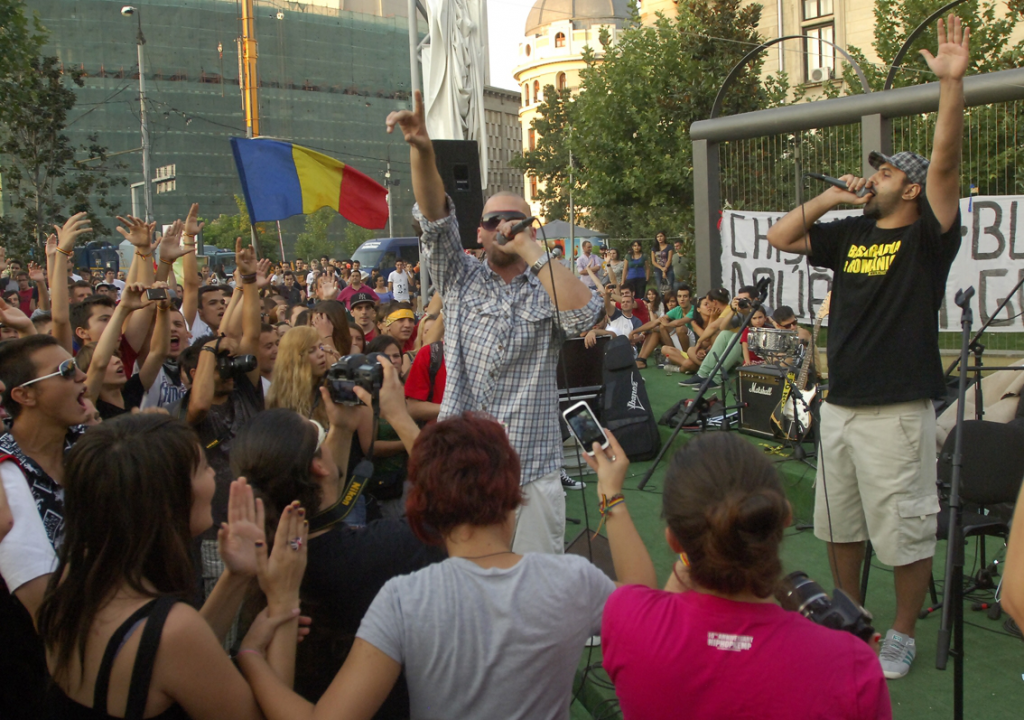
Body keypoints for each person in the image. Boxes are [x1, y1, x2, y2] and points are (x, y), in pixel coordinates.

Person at [236, 394, 656, 720]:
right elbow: (645, 602)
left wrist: (252, 657)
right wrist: (612, 496)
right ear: (512, 489)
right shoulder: (571, 580)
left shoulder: (402, 601)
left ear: (422, 502)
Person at [765, 15, 969, 679]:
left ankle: (901, 633)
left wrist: (950, 86)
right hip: (842, 407)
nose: (872, 177)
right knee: (839, 525)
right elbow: (780, 236)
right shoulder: (851, 232)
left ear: (910, 189)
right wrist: (831, 195)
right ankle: (849, 619)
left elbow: (946, 163)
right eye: (872, 172)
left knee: (904, 529)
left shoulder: (927, 236)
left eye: (884, 174)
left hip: (897, 411)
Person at [385, 90, 602, 554]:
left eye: (514, 220)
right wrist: (423, 151)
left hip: (531, 469)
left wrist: (528, 248)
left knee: (537, 587)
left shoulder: (547, 284)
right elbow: (434, 217)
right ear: (478, 232)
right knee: (468, 583)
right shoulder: (459, 276)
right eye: (492, 220)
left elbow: (586, 313)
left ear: (530, 229)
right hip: (464, 469)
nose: (502, 226)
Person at [601, 433, 891, 719]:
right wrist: (858, 663)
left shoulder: (625, 617)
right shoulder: (851, 665)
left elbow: (648, 606)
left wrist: (611, 495)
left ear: (674, 542)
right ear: (785, 517)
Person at [37, 414, 286, 720]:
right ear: (168, 500)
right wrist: (254, 651)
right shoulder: (172, 630)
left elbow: (171, 657)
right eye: (202, 468)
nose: (213, 473)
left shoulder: (75, 578)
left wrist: (237, 576)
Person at [232, 365, 446, 714]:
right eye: (320, 434)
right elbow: (456, 515)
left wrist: (341, 429)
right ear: (317, 466)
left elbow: (324, 496)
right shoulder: (378, 551)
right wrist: (400, 417)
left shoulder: (264, 563)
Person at [0, 335, 91, 718]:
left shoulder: (93, 450)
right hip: (29, 673)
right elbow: (46, 609)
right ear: (24, 395)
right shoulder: (5, 470)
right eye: (66, 371)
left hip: (106, 652)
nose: (82, 377)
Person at [76, 283, 171, 420]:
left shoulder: (131, 391)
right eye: (109, 358)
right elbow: (99, 363)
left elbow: (158, 352)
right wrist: (123, 308)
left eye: (116, 356)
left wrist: (163, 309)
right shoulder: (91, 403)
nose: (116, 361)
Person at [680, 285, 760, 387]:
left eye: (745, 299)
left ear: (755, 300)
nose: (742, 302)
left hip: (757, 348)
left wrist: (748, 312)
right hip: (740, 347)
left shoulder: (762, 311)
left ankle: (717, 378)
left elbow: (713, 327)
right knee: (725, 334)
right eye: (740, 299)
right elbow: (723, 327)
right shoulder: (740, 311)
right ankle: (702, 374)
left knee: (738, 336)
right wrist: (733, 310)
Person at [267, 327, 331, 426]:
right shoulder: (282, 400)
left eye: (321, 347)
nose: (321, 354)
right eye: (311, 350)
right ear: (295, 359)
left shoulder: (330, 387)